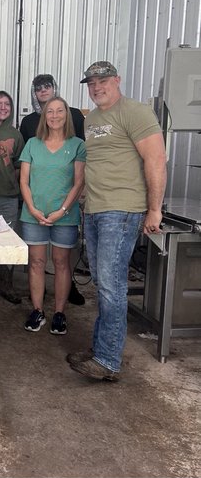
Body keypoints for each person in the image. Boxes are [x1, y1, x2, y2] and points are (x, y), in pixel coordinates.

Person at [67, 61, 166, 382]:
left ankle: (108, 360)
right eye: (91, 83)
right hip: (95, 210)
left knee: (112, 286)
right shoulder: (92, 118)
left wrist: (154, 209)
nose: (97, 87)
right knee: (102, 282)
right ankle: (101, 349)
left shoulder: (135, 112)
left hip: (122, 209)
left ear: (117, 80)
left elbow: (155, 159)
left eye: (103, 81)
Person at [19, 98, 86, 335]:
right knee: (36, 263)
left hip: (64, 216)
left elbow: (79, 182)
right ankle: (38, 311)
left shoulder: (77, 145)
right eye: (50, 112)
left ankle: (59, 313)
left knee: (61, 263)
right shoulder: (32, 144)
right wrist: (33, 209)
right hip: (33, 214)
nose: (55, 116)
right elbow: (24, 181)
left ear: (66, 115)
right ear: (44, 116)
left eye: (59, 111)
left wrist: (62, 211)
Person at [0, 90, 24, 303]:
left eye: (6, 104)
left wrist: (13, 186)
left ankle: (6, 283)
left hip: (9, 195)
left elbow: (19, 166)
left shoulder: (16, 135)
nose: (2, 107)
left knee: (8, 238)